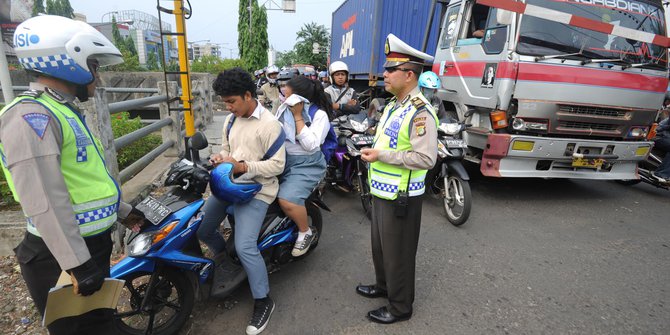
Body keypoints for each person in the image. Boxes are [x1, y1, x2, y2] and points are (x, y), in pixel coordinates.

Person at [0, 15, 145, 334]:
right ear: (68, 61)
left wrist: (124, 213)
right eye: (93, 66)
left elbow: (85, 181)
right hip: (61, 257)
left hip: (85, 247)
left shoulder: (62, 111)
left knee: (99, 324)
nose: (98, 77)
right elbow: (44, 198)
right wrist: (77, 262)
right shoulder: (30, 116)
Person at [196, 68, 286, 335]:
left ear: (248, 95)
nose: (228, 107)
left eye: (232, 101)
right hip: (228, 184)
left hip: (258, 190)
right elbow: (227, 149)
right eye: (225, 102)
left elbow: (277, 165)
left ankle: (263, 300)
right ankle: (226, 259)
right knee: (202, 228)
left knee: (246, 246)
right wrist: (219, 158)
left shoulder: (270, 125)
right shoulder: (231, 120)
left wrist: (243, 167)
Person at [357, 33, 438, 324]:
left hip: (402, 196)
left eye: (391, 70)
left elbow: (426, 159)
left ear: (409, 74)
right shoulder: (393, 106)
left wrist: (380, 156)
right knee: (381, 248)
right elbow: (389, 142)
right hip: (382, 191)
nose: (384, 74)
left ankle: (400, 307)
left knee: (399, 254)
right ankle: (383, 287)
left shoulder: (420, 113)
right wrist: (371, 147)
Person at [275, 76, 332, 256]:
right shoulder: (283, 112)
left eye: (288, 94)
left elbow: (311, 145)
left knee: (287, 199)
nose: (284, 97)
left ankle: (304, 231)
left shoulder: (318, 115)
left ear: (299, 99)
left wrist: (298, 116)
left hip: (307, 165)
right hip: (283, 160)